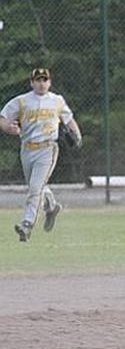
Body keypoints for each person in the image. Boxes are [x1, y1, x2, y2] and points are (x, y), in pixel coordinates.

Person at [0, 68, 82, 242]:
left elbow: (68, 119)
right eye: (38, 80)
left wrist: (78, 135)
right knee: (36, 186)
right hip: (27, 148)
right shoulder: (22, 101)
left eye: (44, 80)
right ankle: (51, 207)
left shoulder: (57, 100)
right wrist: (8, 128)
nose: (41, 83)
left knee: (35, 188)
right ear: (32, 83)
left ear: (49, 83)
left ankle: (27, 224)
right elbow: (3, 117)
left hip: (48, 148)